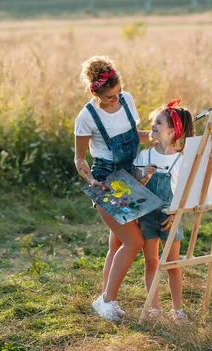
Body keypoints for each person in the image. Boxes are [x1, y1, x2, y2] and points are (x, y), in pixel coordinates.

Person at [74, 56, 149, 321]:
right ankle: (106, 301)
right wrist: (89, 179)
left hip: (130, 176)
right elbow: (80, 159)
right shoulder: (86, 117)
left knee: (117, 241)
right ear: (96, 93)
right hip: (106, 180)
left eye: (117, 94)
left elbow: (134, 136)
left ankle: (108, 298)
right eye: (108, 97)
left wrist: (161, 135)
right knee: (135, 241)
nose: (115, 100)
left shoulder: (127, 99)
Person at [134, 99, 195, 321]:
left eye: (158, 122)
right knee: (151, 261)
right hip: (148, 215)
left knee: (172, 264)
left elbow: (185, 192)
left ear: (172, 130)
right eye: (154, 121)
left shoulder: (181, 160)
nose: (153, 125)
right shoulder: (145, 156)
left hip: (170, 216)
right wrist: (145, 175)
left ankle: (177, 309)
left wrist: (175, 212)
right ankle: (155, 306)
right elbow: (136, 185)